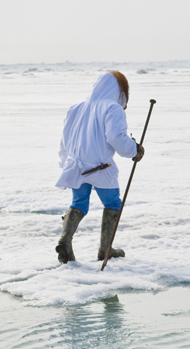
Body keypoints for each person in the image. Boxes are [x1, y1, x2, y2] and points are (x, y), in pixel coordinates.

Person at [55, 71, 144, 264]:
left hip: (77, 166)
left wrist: (65, 161)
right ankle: (106, 249)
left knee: (78, 204)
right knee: (112, 204)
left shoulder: (76, 108)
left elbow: (65, 138)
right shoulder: (112, 108)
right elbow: (115, 137)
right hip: (101, 168)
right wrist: (134, 150)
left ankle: (65, 239)